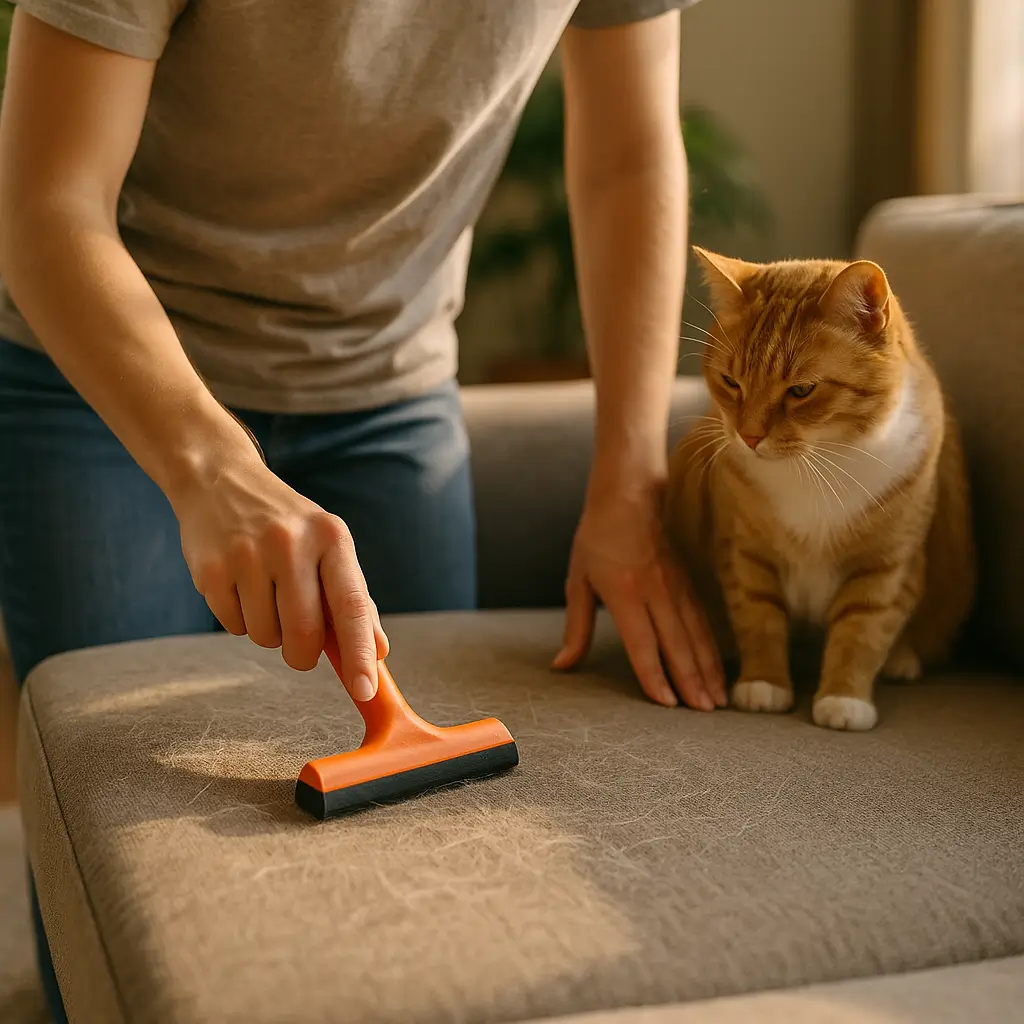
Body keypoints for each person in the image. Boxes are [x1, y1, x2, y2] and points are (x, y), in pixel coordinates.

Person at [0, 0, 724, 1018]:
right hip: (103, 384)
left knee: (432, 857)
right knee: (114, 832)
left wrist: (628, 480)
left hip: (389, 382)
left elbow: (629, 160)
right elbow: (45, 206)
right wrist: (211, 467)